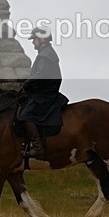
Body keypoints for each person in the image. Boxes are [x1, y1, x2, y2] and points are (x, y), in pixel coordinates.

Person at [18, 26, 64, 159]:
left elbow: (40, 74)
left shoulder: (45, 55)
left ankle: (38, 149)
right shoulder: (46, 53)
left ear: (43, 39)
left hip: (44, 95)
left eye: (35, 39)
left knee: (26, 115)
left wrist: (27, 84)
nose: (33, 42)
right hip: (43, 93)